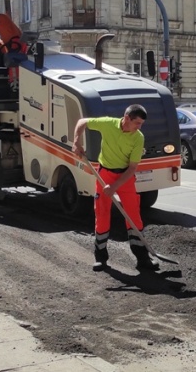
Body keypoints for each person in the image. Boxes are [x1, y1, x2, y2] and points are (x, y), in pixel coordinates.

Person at [72, 104, 159, 273]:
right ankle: (100, 258)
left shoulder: (138, 137)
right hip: (104, 174)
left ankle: (142, 258)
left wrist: (114, 187)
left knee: (133, 215)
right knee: (102, 213)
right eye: (137, 123)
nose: (139, 127)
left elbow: (132, 168)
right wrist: (76, 141)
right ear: (126, 118)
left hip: (125, 176)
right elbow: (82, 122)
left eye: (141, 124)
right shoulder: (108, 124)